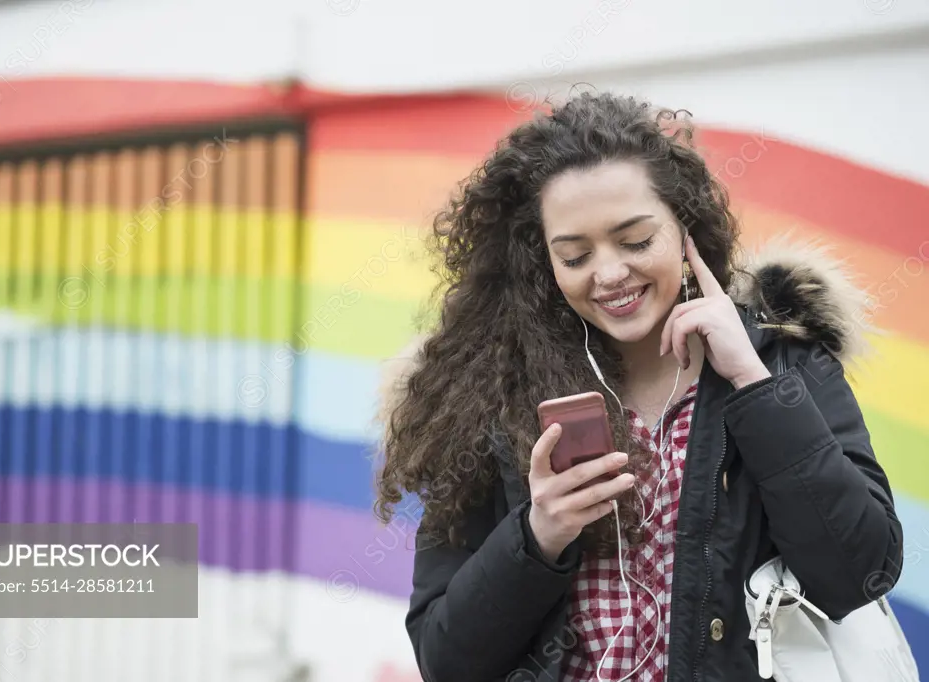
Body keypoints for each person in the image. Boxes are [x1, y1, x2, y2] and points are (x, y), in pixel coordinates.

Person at [373, 91, 904, 682]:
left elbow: (861, 573)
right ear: (541, 263)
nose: (608, 274)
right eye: (574, 255)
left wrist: (752, 383)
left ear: (685, 230)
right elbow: (447, 662)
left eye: (634, 241)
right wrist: (538, 535)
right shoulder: (490, 397)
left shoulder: (782, 363)